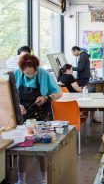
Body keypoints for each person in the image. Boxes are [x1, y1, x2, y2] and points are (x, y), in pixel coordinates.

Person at [15, 54, 62, 184]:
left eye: (32, 73)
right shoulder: (17, 74)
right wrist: (18, 105)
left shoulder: (44, 75)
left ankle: (44, 179)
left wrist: (46, 98)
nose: (30, 75)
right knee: (22, 148)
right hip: (24, 117)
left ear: (37, 68)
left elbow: (59, 93)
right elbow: (12, 94)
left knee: (42, 148)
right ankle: (21, 180)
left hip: (42, 115)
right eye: (27, 73)